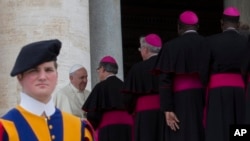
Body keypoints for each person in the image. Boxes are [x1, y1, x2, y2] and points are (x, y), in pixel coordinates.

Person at [0, 39, 95, 141]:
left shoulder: (79, 128)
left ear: (57, 76)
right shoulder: (5, 128)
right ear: (20, 77)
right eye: (34, 70)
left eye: (48, 70)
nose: (42, 77)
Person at [154, 10, 205, 141]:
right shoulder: (208, 44)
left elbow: (164, 80)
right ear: (197, 27)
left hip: (179, 101)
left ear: (179, 27)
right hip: (203, 98)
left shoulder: (170, 47)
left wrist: (167, 108)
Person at [199, 6, 248, 141]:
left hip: (217, 91)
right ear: (237, 24)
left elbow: (203, 71)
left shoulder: (209, 41)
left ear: (221, 23)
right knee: (239, 126)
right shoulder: (246, 42)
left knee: (217, 127)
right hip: (239, 91)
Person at [122, 33, 166, 141]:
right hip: (166, 113)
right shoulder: (166, 65)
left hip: (144, 117)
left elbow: (127, 98)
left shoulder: (137, 68)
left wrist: (131, 109)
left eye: (140, 49)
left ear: (145, 49)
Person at [82, 56, 133, 141]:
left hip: (109, 128)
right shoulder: (125, 86)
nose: (98, 72)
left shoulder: (100, 87)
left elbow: (92, 115)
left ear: (103, 69)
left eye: (98, 69)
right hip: (128, 128)